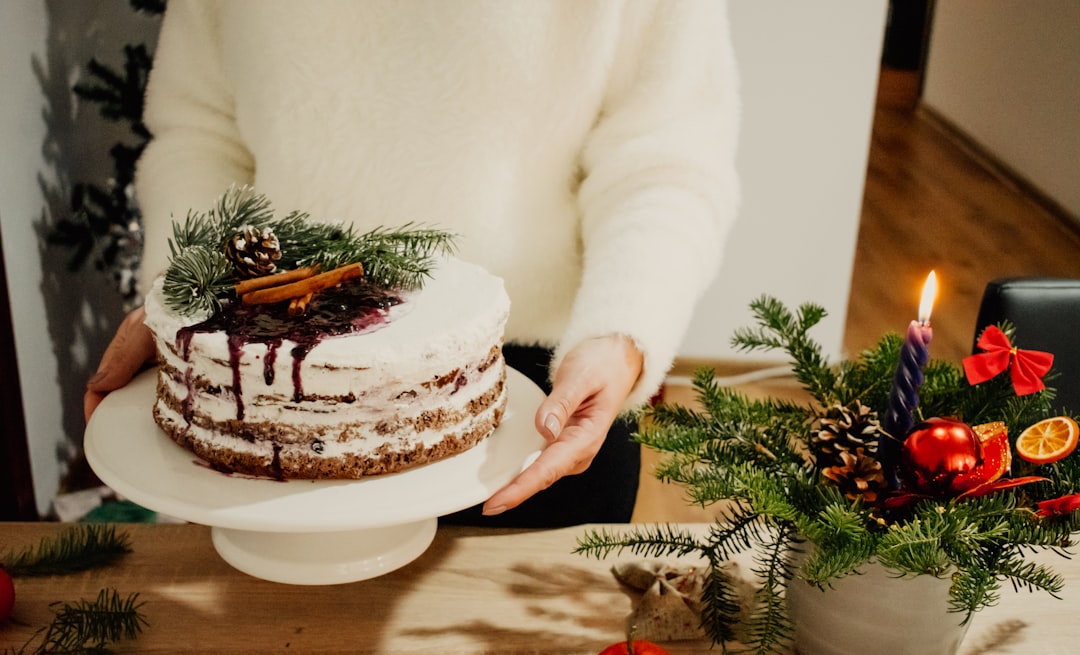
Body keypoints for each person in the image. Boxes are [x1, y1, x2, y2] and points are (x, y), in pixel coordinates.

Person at [84, 0, 741, 527]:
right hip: (268, 390)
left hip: (534, 397)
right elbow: (202, 134)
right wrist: (184, 305)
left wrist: (618, 332)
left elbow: (666, 161)